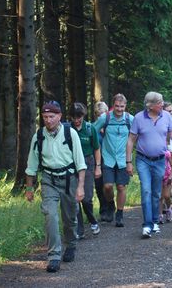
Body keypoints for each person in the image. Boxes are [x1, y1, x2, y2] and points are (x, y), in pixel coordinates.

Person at [25, 101, 86, 272]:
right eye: (45, 117)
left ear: (59, 116)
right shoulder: (38, 136)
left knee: (69, 216)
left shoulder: (70, 133)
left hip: (68, 179)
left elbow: (80, 163)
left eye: (52, 117)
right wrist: (29, 189)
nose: (48, 120)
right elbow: (31, 165)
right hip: (48, 179)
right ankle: (54, 256)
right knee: (50, 215)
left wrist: (80, 187)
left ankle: (71, 244)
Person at [126, 92, 172, 238]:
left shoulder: (166, 116)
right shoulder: (139, 118)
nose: (162, 104)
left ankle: (154, 221)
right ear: (150, 105)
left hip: (160, 160)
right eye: (159, 102)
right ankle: (147, 225)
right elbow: (131, 140)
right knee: (146, 191)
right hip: (143, 160)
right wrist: (128, 162)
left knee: (156, 193)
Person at [94, 94, 134, 227]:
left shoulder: (130, 119)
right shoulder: (105, 118)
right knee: (108, 186)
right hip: (108, 157)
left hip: (123, 158)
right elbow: (92, 131)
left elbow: (137, 134)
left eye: (122, 106)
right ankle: (111, 204)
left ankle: (120, 214)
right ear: (113, 105)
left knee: (121, 186)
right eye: (117, 106)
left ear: (125, 106)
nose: (119, 109)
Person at [69, 102, 102, 239]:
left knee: (86, 198)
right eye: (74, 117)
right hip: (71, 165)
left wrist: (98, 166)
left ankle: (93, 220)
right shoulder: (67, 129)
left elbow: (96, 148)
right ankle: (79, 230)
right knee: (75, 198)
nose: (77, 120)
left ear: (83, 116)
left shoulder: (90, 129)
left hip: (88, 162)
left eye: (79, 117)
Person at [92, 101, 111, 222]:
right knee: (99, 185)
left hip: (109, 159)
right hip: (96, 160)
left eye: (103, 114)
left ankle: (110, 206)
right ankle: (103, 209)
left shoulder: (111, 126)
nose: (101, 117)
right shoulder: (93, 127)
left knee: (107, 185)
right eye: (99, 115)